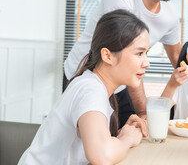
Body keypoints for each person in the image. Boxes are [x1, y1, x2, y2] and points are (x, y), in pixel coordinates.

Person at [63, 0, 183, 126]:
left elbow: (177, 57)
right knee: (86, 141)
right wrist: (143, 112)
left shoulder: (170, 14)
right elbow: (127, 51)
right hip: (84, 74)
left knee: (130, 133)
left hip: (120, 79)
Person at [19, 9, 150, 165]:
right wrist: (126, 139)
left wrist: (121, 134)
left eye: (146, 53)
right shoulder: (90, 90)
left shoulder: (93, 85)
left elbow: (95, 148)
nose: (147, 63)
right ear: (107, 56)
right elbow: (101, 156)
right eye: (139, 53)